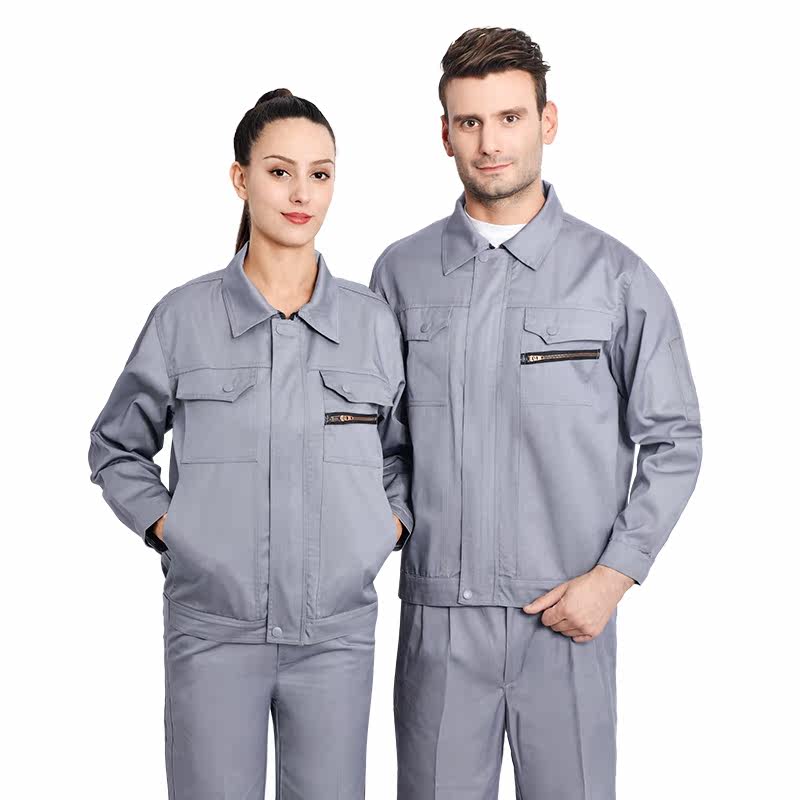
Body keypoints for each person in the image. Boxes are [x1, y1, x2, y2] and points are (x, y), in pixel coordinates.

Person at [369, 28, 703, 800]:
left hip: (567, 618)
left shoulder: (615, 278)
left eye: (510, 118)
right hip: (441, 624)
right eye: (470, 122)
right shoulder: (401, 273)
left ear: (547, 122)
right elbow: (379, 439)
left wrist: (614, 577)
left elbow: (675, 438)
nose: (490, 143)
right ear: (445, 134)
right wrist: (396, 525)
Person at [88, 88, 413, 800]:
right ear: (241, 178)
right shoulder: (184, 318)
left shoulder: (372, 325)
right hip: (212, 631)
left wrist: (384, 525)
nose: (301, 193)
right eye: (279, 171)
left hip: (336, 635)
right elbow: (116, 446)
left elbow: (402, 453)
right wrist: (174, 528)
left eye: (320, 174)